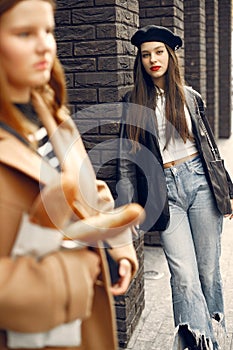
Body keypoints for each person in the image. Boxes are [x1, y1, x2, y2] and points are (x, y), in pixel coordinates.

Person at [0, 1, 144, 349]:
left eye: (49, 31)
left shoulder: (51, 113)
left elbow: (86, 191)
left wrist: (118, 245)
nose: (45, 45)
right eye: (25, 33)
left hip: (78, 330)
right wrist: (76, 274)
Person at [117, 24, 233, 350]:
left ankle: (206, 331)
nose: (153, 59)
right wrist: (126, 206)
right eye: (145, 54)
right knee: (183, 273)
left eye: (158, 52)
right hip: (164, 191)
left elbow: (209, 147)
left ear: (170, 54)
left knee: (208, 270)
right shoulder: (132, 102)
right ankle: (198, 342)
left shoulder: (191, 97)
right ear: (139, 61)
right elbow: (128, 160)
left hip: (200, 183)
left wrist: (229, 189)